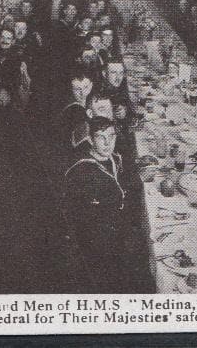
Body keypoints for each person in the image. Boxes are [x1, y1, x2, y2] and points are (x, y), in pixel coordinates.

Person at [61, 116, 148, 293]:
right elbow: (81, 217)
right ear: (91, 140)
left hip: (115, 229)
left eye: (112, 136)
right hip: (96, 240)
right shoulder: (82, 171)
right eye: (101, 137)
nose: (108, 143)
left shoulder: (114, 159)